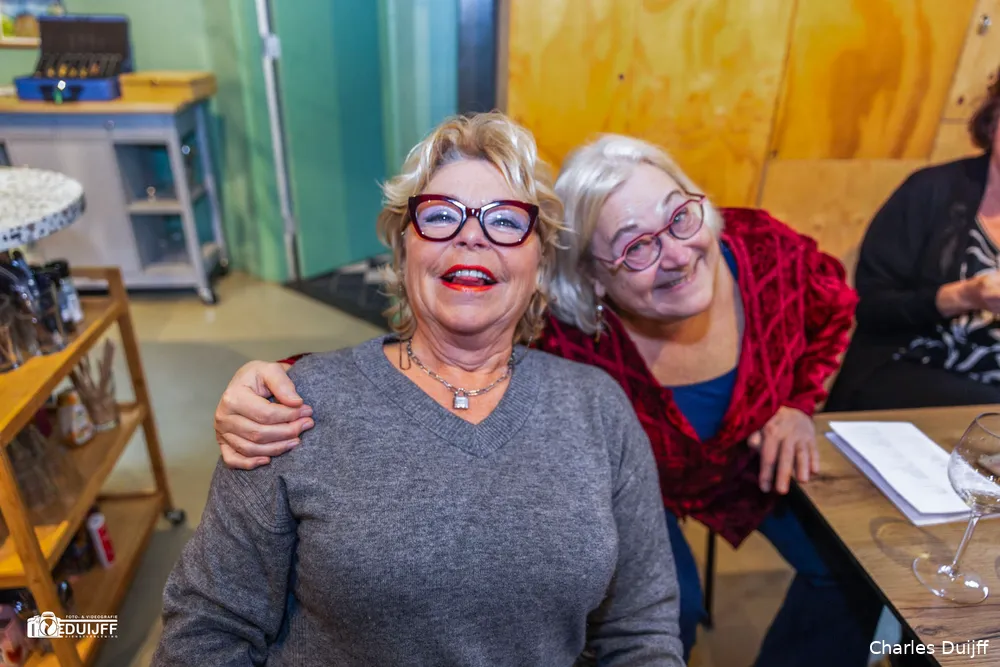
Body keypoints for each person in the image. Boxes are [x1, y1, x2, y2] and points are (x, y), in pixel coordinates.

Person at [213, 129, 882, 666]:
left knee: (850, 570)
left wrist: (798, 401)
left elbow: (835, 308)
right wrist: (290, 380)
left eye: (681, 217)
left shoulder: (762, 254)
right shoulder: (578, 341)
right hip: (659, 489)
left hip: (753, 465)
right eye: (636, 246)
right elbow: (436, 348)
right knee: (676, 604)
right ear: (590, 282)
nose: (677, 254)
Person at [153, 113, 685, 667]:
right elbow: (207, 628)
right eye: (441, 215)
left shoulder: (597, 407)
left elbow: (640, 629)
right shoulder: (291, 408)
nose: (471, 235)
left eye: (505, 221)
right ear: (404, 250)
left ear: (539, 264)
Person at [826, 75, 1000, 411]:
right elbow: (872, 307)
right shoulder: (929, 190)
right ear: (992, 121)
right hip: (909, 368)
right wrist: (966, 295)